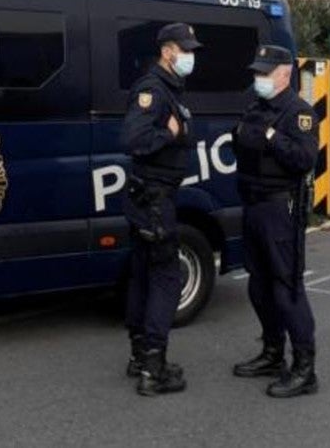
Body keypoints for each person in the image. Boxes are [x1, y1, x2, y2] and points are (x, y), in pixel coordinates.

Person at [231, 44, 320, 398]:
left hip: (280, 209)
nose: (259, 79)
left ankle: (305, 368)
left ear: (285, 74)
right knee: (259, 285)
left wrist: (270, 137)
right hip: (253, 205)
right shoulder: (255, 108)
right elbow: (240, 146)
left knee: (287, 289)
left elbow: (304, 158)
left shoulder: (299, 113)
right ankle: (272, 352)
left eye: (265, 73)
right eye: (256, 72)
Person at [119, 22, 200, 397]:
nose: (190, 56)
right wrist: (169, 133)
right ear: (167, 51)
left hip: (149, 197)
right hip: (154, 200)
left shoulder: (170, 88)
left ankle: (139, 356)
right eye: (185, 50)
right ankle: (154, 367)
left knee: (142, 274)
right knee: (165, 278)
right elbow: (133, 139)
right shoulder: (154, 89)